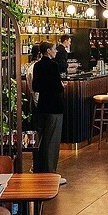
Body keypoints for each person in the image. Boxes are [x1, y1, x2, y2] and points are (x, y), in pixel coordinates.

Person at [32, 42, 66, 184]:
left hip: (42, 106)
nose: (56, 51)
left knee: (40, 140)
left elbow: (35, 86)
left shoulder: (37, 65)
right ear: (48, 51)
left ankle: (38, 170)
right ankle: (51, 173)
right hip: (54, 106)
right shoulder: (53, 66)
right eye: (54, 49)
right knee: (52, 141)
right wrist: (61, 86)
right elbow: (58, 87)